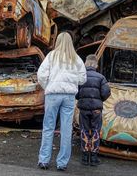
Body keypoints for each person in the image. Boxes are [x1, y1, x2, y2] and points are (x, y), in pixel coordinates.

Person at [37, 32, 87, 171]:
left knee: (48, 127)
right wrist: (72, 83)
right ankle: (62, 163)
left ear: (57, 41)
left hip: (53, 95)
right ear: (70, 42)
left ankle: (44, 160)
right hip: (69, 96)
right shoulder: (76, 58)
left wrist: (48, 87)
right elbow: (83, 78)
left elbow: (41, 75)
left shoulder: (51, 56)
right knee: (66, 130)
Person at [76, 54, 111, 166]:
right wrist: (100, 100)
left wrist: (81, 98)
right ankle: (94, 158)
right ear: (95, 64)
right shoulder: (101, 78)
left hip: (84, 109)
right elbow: (106, 93)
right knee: (96, 131)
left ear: (86, 63)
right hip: (96, 109)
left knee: (84, 130)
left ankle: (85, 157)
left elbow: (76, 93)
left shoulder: (81, 77)